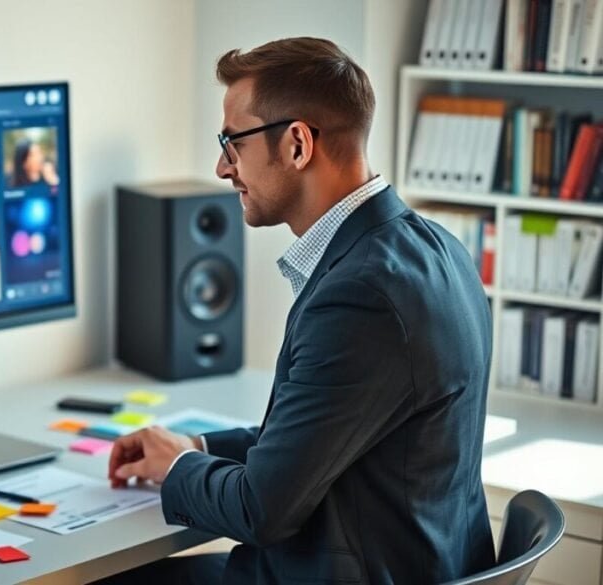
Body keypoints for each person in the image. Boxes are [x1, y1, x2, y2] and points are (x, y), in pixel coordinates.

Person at [100, 38, 495, 585]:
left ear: (297, 144)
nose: (221, 167)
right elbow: (320, 434)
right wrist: (197, 447)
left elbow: (261, 510)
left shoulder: (362, 295)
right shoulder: (436, 249)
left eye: (231, 143)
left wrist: (177, 468)